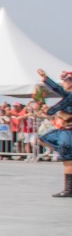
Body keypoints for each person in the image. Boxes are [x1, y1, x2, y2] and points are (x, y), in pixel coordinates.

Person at [35, 69, 72, 197]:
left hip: (68, 131)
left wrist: (49, 111)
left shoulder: (71, 95)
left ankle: (68, 190)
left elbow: (58, 94)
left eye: (65, 80)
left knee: (67, 159)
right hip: (64, 130)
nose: (63, 83)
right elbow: (60, 91)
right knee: (43, 138)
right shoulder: (69, 94)